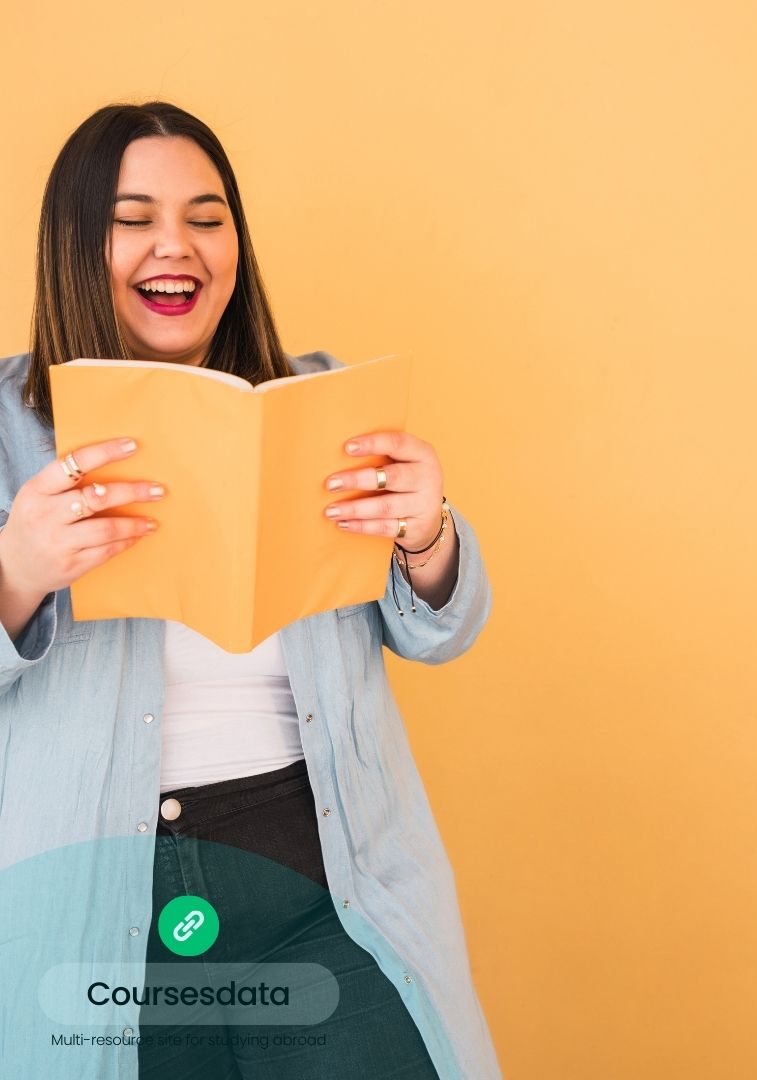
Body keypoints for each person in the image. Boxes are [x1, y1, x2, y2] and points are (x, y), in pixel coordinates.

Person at [0, 102, 501, 1080]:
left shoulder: (322, 400)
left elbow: (441, 633)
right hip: (100, 911)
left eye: (207, 217)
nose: (176, 247)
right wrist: (18, 571)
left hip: (322, 882)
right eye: (134, 219)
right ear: (73, 244)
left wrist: (427, 532)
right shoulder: (6, 428)